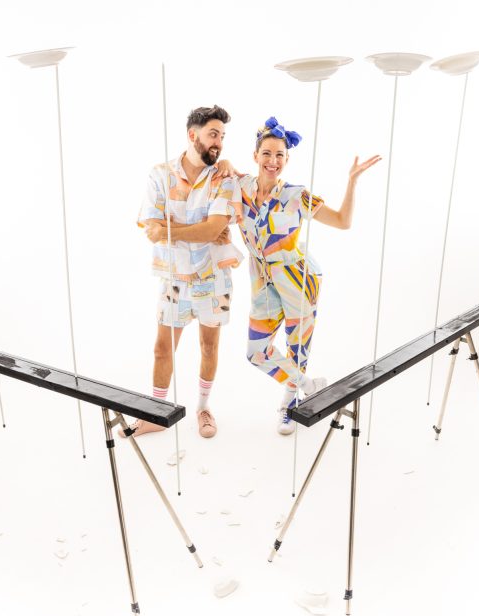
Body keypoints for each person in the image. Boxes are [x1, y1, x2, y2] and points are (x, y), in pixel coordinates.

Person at [237, 116, 380, 434]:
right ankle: (307, 385)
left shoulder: (296, 195)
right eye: (267, 153)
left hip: (298, 280)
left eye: (279, 156)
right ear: (255, 156)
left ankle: (288, 405)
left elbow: (343, 221)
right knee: (256, 351)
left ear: (287, 160)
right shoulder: (240, 190)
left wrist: (352, 181)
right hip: (262, 281)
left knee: (296, 347)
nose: (272, 161)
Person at [125, 105, 243, 439]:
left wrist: (172, 229)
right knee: (162, 349)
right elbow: (151, 228)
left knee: (209, 347)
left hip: (213, 278)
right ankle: (156, 413)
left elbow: (211, 231)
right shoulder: (160, 174)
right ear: (193, 135)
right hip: (174, 278)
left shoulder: (223, 177)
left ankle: (204, 408)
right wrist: (196, 227)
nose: (219, 142)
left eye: (222, 136)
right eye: (213, 134)